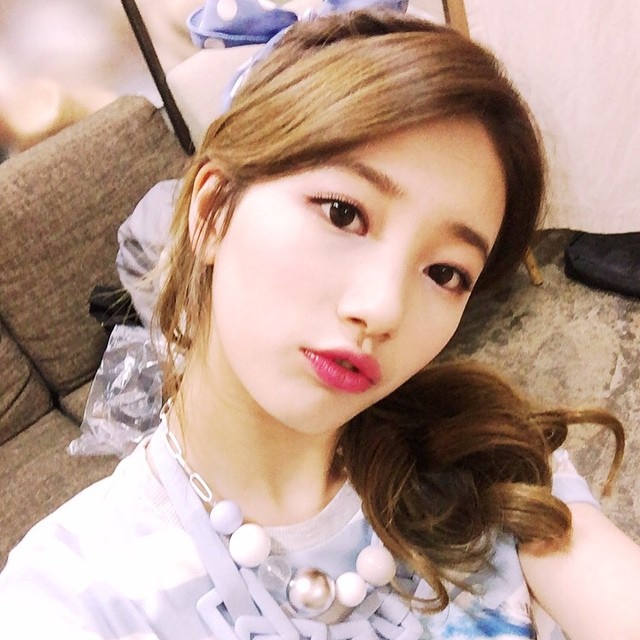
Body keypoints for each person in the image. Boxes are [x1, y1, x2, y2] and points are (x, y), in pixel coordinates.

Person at [0, 8, 639, 640]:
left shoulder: (485, 455)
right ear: (214, 211)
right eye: (342, 213)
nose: (383, 309)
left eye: (445, 272)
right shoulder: (75, 593)